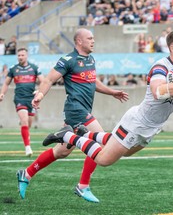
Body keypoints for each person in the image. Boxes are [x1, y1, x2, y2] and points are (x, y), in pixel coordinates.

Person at [41, 29, 173, 182]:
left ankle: (85, 134)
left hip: (153, 127)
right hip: (136, 122)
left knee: (124, 153)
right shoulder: (161, 67)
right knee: (104, 159)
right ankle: (68, 136)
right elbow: (158, 92)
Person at [16, 28, 129, 203]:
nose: (93, 41)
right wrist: (40, 95)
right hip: (76, 110)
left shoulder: (90, 59)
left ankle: (27, 173)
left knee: (61, 152)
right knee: (100, 142)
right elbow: (48, 80)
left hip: (83, 110)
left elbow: (93, 81)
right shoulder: (68, 60)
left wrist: (111, 91)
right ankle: (83, 186)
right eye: (89, 38)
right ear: (79, 42)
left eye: (93, 38)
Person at [0, 48, 44, 156]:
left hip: (32, 99)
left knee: (28, 123)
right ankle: (27, 147)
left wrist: (39, 91)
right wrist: (2, 93)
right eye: (18, 55)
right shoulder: (13, 69)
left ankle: (25, 131)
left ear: (27, 56)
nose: (20, 57)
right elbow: (6, 83)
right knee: (24, 120)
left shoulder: (34, 68)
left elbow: (43, 81)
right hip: (19, 98)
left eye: (22, 55)